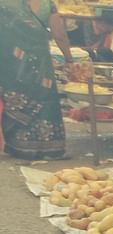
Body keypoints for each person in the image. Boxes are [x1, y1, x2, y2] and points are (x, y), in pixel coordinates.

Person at [0, 0, 72, 160]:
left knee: (17, 100)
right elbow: (60, 35)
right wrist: (69, 59)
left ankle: (20, 146)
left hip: (11, 63)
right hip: (40, 63)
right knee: (45, 98)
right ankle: (51, 148)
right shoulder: (48, 4)